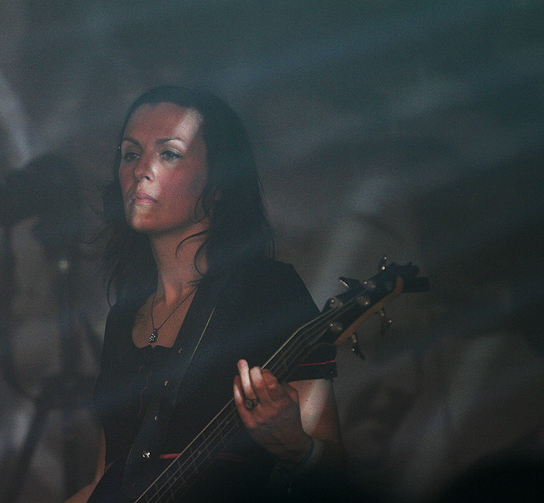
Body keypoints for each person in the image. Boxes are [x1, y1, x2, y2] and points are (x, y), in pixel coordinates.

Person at [67, 86, 343, 503]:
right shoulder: (123, 317)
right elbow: (107, 482)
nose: (141, 170)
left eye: (169, 154)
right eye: (130, 154)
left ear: (219, 185)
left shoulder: (267, 292)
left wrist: (297, 447)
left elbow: (334, 471)